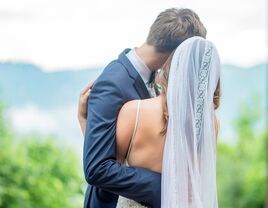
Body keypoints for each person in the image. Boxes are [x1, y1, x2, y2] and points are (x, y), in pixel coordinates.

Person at [79, 8, 207, 208]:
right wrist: (166, 187)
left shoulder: (156, 77)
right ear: (177, 54)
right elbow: (97, 168)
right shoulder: (113, 83)